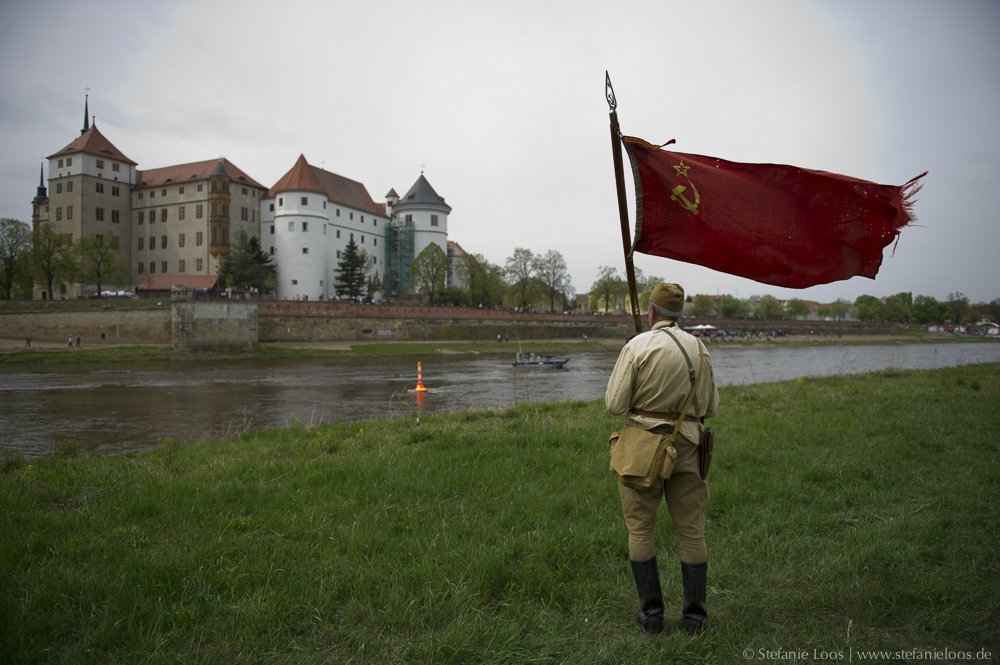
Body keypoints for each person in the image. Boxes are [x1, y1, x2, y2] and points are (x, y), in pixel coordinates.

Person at [605, 282, 719, 636]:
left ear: (651, 312)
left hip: (643, 447)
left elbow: (614, 405)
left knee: (640, 529)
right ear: (678, 314)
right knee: (691, 532)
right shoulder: (699, 348)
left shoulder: (637, 346)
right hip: (689, 444)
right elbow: (712, 407)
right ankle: (695, 619)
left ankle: (651, 616)